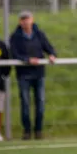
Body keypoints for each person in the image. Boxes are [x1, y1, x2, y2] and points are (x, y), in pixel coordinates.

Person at [10, 11, 56, 140]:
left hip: (39, 73)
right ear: (20, 22)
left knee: (40, 103)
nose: (25, 21)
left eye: (27, 19)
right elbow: (14, 54)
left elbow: (49, 48)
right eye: (23, 19)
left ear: (32, 20)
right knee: (25, 103)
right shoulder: (15, 36)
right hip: (24, 74)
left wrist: (52, 55)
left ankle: (39, 130)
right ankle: (27, 131)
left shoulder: (39, 34)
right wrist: (27, 60)